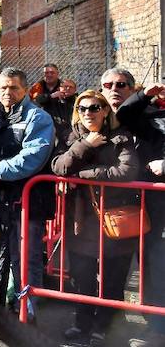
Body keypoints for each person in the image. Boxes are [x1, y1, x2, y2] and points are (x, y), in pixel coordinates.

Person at [51, 90, 139, 346]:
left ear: (104, 110)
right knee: (82, 275)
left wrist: (86, 174)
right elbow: (59, 166)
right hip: (81, 218)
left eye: (94, 107)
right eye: (83, 108)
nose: (88, 113)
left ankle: (105, 325)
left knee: (113, 276)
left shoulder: (121, 136)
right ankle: (82, 324)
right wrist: (86, 144)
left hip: (116, 216)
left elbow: (127, 171)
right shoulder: (72, 136)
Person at [0, 67, 55, 320]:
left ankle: (29, 311)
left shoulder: (38, 118)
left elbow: (31, 158)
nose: (8, 92)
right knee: (6, 251)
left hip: (29, 199)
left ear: (25, 89)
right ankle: (8, 303)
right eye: (3, 87)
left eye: (13, 88)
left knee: (27, 255)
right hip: (3, 198)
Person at [102, 68, 165, 347]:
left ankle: (159, 328)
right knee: (151, 269)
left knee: (158, 266)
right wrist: (144, 95)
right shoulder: (153, 114)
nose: (114, 88)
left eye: (121, 85)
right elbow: (125, 115)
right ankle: (156, 325)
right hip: (149, 205)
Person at [36, 77, 77, 147]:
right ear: (59, 88)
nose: (68, 89)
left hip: (72, 135)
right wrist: (51, 96)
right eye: (65, 86)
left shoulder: (78, 101)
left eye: (71, 87)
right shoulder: (51, 100)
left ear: (75, 90)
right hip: (54, 135)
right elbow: (38, 100)